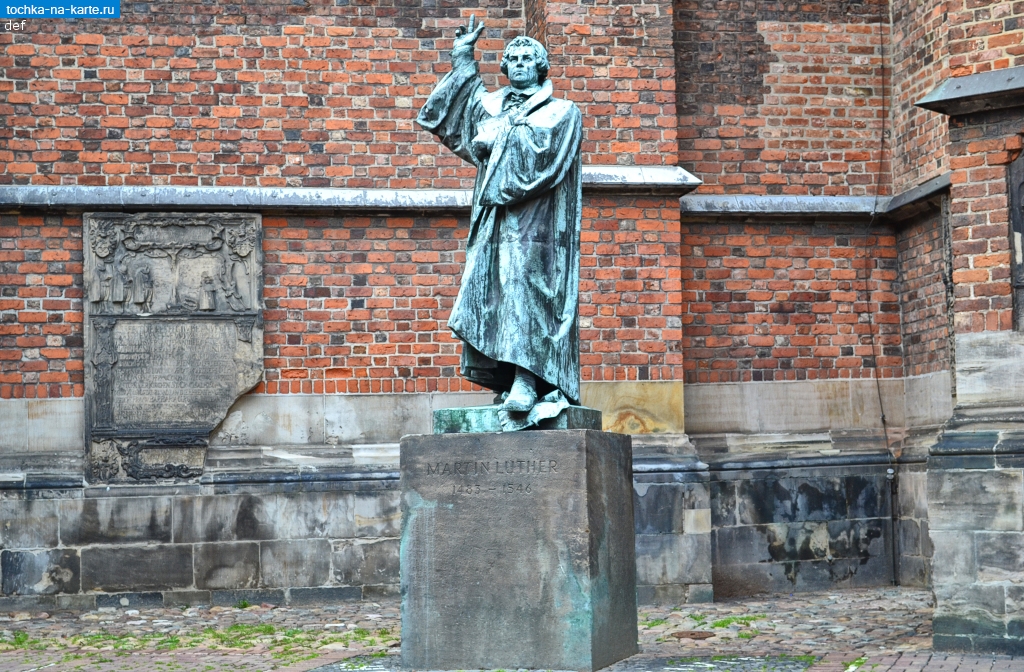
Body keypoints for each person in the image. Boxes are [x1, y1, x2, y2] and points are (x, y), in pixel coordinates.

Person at [417, 17, 583, 421]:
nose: (522, 63)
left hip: (537, 224)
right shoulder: (493, 105)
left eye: (530, 58)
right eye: (514, 58)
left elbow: (542, 155)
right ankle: (507, 377)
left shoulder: (561, 111)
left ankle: (529, 379)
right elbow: (458, 119)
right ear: (505, 68)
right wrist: (462, 57)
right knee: (492, 292)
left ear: (541, 67)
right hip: (493, 219)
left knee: (528, 290)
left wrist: (500, 135)